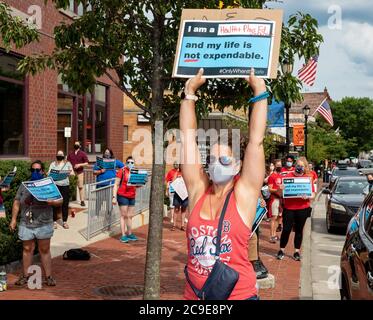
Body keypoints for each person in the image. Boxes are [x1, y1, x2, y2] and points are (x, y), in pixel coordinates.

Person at [181, 68, 267, 300]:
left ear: (237, 165)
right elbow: (188, 138)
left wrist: (259, 91)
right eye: (211, 159)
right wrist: (189, 93)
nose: (217, 164)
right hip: (196, 296)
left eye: (225, 159)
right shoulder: (198, 190)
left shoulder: (244, 193)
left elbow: (256, 142)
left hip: (238, 295)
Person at [9, 160, 62, 286]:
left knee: (44, 249)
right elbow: (17, 202)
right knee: (27, 249)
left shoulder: (49, 184)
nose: (35, 172)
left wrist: (53, 203)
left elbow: (60, 200)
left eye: (38, 170)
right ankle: (25, 276)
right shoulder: (24, 185)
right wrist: (13, 219)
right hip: (26, 223)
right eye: (33, 170)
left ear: (43, 171)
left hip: (43, 223)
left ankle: (48, 277)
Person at [276, 157, 315, 261]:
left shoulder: (307, 178)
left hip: (303, 208)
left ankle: (296, 251)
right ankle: (281, 250)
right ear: (295, 165)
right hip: (289, 208)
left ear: (305, 167)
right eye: (298, 165)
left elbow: (313, 194)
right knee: (286, 229)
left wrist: (308, 196)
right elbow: (280, 194)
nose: (299, 167)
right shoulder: (287, 177)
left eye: (302, 166)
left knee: (299, 230)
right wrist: (280, 189)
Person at [112, 156, 138, 243]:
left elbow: (137, 184)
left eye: (132, 162)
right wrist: (114, 197)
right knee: (123, 215)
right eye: (128, 162)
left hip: (132, 196)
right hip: (122, 195)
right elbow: (116, 184)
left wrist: (141, 183)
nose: (130, 164)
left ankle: (130, 233)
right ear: (126, 163)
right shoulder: (122, 171)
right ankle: (123, 235)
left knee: (130, 216)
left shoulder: (135, 172)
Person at [93, 148, 124, 216]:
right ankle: (96, 214)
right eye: (106, 153)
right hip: (101, 184)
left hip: (111, 185)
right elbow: (94, 172)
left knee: (109, 201)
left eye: (108, 153)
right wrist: (101, 171)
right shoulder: (99, 162)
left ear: (111, 154)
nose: (107, 154)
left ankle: (108, 215)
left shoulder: (115, 161)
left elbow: (123, 167)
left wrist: (118, 172)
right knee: (99, 200)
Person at [48, 151, 74, 229]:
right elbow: (48, 173)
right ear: (56, 156)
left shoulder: (68, 164)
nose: (59, 156)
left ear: (63, 156)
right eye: (58, 155)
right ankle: (54, 222)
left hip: (65, 185)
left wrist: (68, 173)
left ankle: (65, 221)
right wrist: (50, 174)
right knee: (54, 204)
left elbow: (72, 173)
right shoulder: (53, 164)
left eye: (61, 155)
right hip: (55, 186)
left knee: (65, 203)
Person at [67, 141, 89, 207]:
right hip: (72, 173)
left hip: (79, 172)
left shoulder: (83, 154)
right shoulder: (70, 154)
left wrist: (80, 165)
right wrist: (70, 170)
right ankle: (70, 199)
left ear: (80, 146)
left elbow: (87, 163)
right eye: (75, 144)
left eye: (77, 144)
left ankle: (82, 201)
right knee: (71, 186)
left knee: (80, 187)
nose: (76, 145)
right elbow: (67, 162)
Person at [268, 159, 283, 243]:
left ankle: (275, 234)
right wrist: (278, 189)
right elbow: (270, 189)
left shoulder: (281, 176)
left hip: (280, 199)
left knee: (278, 217)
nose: (279, 166)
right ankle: (272, 235)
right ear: (274, 166)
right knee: (273, 217)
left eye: (280, 165)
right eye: (278, 165)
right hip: (274, 199)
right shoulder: (272, 176)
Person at [165, 162, 181, 228]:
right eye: (174, 164)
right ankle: (172, 217)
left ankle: (179, 218)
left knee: (180, 205)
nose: (176, 165)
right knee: (172, 204)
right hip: (172, 190)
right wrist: (167, 190)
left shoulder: (181, 172)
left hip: (180, 191)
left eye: (177, 164)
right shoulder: (170, 172)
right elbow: (168, 181)